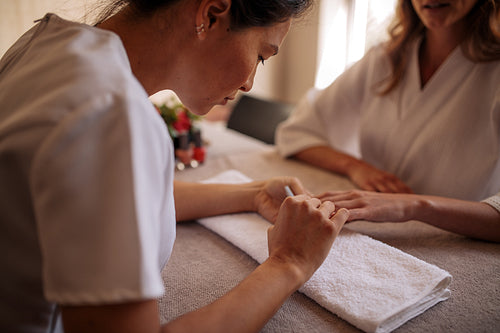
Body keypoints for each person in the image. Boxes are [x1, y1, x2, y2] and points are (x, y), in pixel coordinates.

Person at [0, 0, 350, 332]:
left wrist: (253, 193)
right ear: (211, 14)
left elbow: (97, 199)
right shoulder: (114, 115)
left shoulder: (44, 41)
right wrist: (289, 263)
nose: (249, 84)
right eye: (261, 55)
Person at [276, 0, 500, 241]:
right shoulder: (384, 58)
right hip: (371, 232)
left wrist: (413, 206)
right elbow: (296, 132)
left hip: (455, 246)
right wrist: (356, 167)